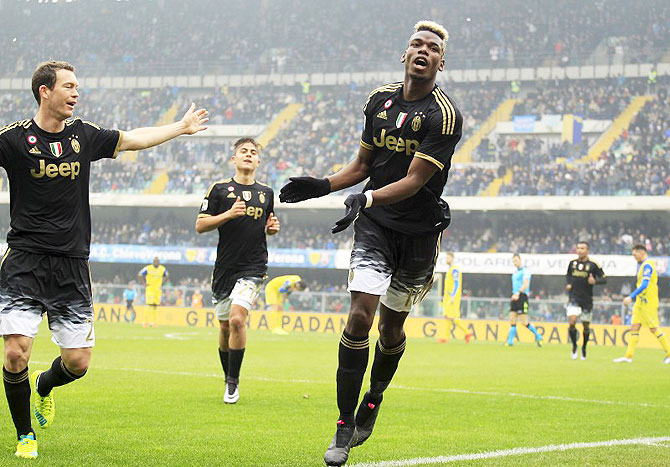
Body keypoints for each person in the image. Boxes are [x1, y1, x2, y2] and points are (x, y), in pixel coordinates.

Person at [0, 60, 208, 459]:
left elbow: (135, 140)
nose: (76, 93)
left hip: (72, 263)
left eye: (77, 86)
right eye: (69, 86)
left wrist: (180, 128)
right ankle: (25, 434)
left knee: (77, 363)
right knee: (15, 351)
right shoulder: (13, 139)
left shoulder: (85, 136)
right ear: (45, 91)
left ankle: (44, 385)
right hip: (24, 259)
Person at [280, 21, 462, 466]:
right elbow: (364, 162)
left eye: (432, 48)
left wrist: (365, 196)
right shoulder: (378, 101)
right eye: (416, 44)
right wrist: (322, 185)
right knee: (360, 314)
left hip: (418, 234)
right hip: (376, 225)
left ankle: (374, 397)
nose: (423, 50)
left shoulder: (445, 115)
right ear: (405, 55)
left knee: (392, 327)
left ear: (441, 61)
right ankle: (344, 423)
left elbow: (417, 180)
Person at [195, 138, 279, 404]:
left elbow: (267, 224)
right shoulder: (219, 190)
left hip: (253, 266)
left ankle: (233, 382)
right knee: (223, 328)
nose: (248, 155)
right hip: (224, 268)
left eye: (253, 152)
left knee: (237, 320)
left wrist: (271, 228)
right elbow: (200, 225)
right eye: (243, 151)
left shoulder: (266, 193)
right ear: (234, 159)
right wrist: (228, 215)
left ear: (258, 162)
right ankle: (227, 375)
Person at [614, 244, 670, 364]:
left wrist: (630, 297)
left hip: (648, 302)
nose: (634, 257)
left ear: (641, 253)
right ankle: (628, 356)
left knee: (654, 328)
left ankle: (669, 353)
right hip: (640, 302)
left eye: (635, 255)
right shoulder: (642, 266)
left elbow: (644, 285)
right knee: (634, 327)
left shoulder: (648, 265)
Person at [565, 241, 606, 360]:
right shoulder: (572, 264)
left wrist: (595, 282)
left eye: (582, 248)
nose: (580, 250)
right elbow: (568, 275)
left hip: (587, 300)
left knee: (586, 326)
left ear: (587, 250)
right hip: (574, 297)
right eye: (578, 248)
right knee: (572, 322)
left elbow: (604, 279)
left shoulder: (594, 265)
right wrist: (568, 284)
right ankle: (574, 346)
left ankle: (584, 348)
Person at [505, 254, 543, 347]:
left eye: (516, 260)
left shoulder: (525, 271)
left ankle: (538, 336)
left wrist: (518, 293)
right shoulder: (515, 272)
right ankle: (510, 341)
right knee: (512, 319)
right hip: (515, 296)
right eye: (514, 261)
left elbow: (525, 284)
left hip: (521, 296)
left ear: (520, 260)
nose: (515, 263)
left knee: (524, 322)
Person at [438, 251, 472, 343]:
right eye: (446, 258)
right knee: (447, 316)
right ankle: (446, 338)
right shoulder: (450, 269)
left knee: (453, 317)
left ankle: (467, 332)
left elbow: (457, 283)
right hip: (448, 297)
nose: (446, 260)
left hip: (452, 297)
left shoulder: (455, 269)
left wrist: (453, 295)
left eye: (448, 258)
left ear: (452, 258)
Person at [138, 257, 168, 328]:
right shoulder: (148, 268)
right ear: (153, 262)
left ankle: (153, 322)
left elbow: (167, 275)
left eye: (158, 261)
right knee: (149, 304)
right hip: (150, 289)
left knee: (155, 306)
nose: (156, 263)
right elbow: (139, 274)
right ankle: (145, 322)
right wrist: (144, 284)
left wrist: (162, 283)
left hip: (157, 290)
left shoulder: (162, 269)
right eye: (155, 261)